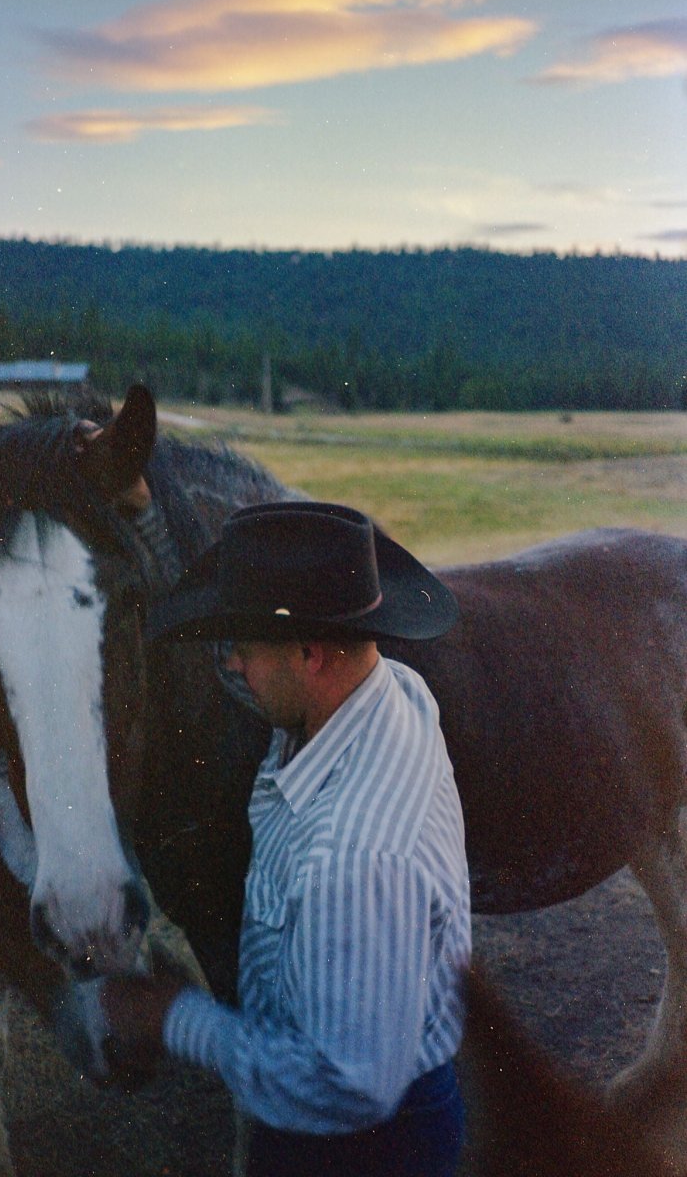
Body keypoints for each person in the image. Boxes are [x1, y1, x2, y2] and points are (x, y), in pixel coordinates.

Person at [96, 501, 471, 1177]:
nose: (230, 665)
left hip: (358, 1146)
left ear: (310, 653)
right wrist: (150, 519)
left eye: (243, 646)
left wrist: (172, 1017)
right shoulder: (391, 692)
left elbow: (339, 1085)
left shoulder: (352, 861)